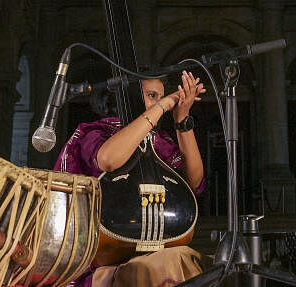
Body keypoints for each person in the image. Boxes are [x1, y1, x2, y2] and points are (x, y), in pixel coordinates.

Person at [55, 70, 206, 287]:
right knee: (161, 266)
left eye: (161, 96)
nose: (161, 101)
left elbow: (193, 182)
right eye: (152, 95)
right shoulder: (96, 133)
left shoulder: (159, 142)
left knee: (185, 260)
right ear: (126, 96)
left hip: (152, 252)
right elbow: (108, 159)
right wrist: (162, 106)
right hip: (99, 261)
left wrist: (181, 119)